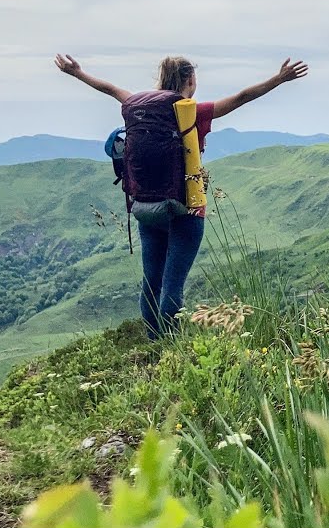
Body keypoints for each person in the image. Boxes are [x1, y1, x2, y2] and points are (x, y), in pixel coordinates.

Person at [54, 54, 309, 339]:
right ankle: (170, 346)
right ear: (190, 80)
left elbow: (110, 88)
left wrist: (78, 73)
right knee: (173, 284)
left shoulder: (135, 104)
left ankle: (154, 342)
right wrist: (279, 79)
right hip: (187, 209)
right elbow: (242, 97)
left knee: (151, 282)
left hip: (147, 206)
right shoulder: (193, 111)